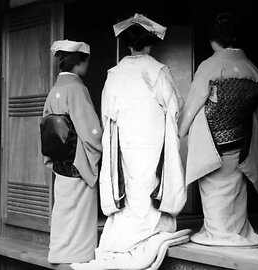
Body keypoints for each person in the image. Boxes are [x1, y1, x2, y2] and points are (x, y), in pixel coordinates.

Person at [72, 14, 189, 270]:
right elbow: (175, 107)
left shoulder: (115, 73)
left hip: (125, 136)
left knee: (128, 182)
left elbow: (106, 112)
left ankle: (127, 234)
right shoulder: (158, 70)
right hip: (152, 136)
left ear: (127, 44)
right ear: (150, 43)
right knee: (152, 181)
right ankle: (151, 230)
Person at [178, 13, 258, 247]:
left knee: (214, 187)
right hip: (242, 139)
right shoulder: (252, 68)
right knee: (236, 188)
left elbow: (195, 102)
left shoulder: (210, 65)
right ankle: (235, 230)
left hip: (214, 140)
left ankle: (217, 232)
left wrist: (181, 130)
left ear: (213, 41)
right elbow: (257, 111)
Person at [42, 40, 103, 264]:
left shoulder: (55, 89)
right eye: (86, 61)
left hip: (60, 160)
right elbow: (90, 130)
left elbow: (47, 124)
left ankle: (59, 251)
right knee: (80, 212)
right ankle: (78, 255)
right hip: (78, 160)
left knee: (63, 210)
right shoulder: (77, 89)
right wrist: (102, 145)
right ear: (80, 62)